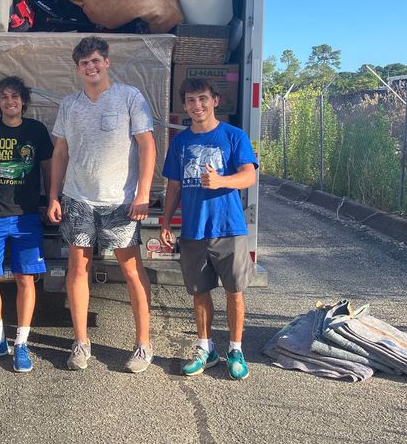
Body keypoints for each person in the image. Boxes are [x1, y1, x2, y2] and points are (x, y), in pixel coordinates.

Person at [47, 36, 157, 373]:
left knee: (131, 271)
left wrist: (142, 194)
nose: (91, 67)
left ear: (106, 62)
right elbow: (61, 152)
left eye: (96, 61)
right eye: (84, 63)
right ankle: (81, 342)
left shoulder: (129, 97)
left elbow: (147, 146)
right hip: (78, 200)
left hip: (121, 202)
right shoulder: (70, 105)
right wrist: (54, 194)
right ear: (78, 69)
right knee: (77, 269)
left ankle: (143, 344)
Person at [160, 77, 258, 380]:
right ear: (185, 106)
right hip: (194, 230)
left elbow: (249, 177)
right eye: (190, 100)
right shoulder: (180, 142)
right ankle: (206, 348)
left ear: (214, 100)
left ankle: (235, 349)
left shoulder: (233, 136)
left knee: (234, 291)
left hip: (229, 227)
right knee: (199, 292)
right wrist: (165, 222)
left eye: (202, 98)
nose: (197, 105)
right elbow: (174, 186)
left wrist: (222, 181)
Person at [0, 76, 53, 373]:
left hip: (26, 217)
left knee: (25, 279)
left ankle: (21, 344)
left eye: (15, 96)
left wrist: (49, 201)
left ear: (24, 101)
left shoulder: (37, 131)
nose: (10, 101)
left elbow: (47, 169)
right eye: (4, 97)